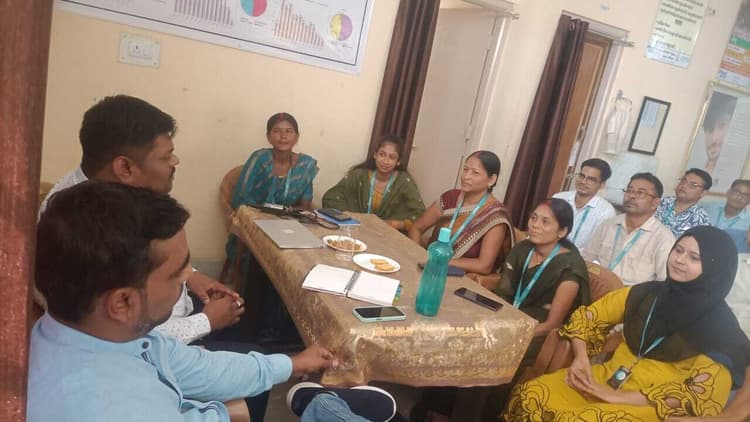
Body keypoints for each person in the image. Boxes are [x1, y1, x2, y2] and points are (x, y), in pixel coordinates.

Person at [30, 181, 353, 421]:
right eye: (177, 274)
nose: (189, 278)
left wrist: (292, 364)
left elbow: (200, 367)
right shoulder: (108, 407)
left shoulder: (110, 335)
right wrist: (225, 414)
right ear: (123, 303)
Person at [38, 94, 240, 346]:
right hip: (160, 344)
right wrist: (206, 321)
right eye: (166, 157)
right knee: (256, 354)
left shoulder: (113, 193)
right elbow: (123, 334)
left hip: (177, 311)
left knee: (243, 317)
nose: (175, 162)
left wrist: (189, 274)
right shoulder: (81, 225)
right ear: (125, 168)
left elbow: (150, 259)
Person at [503, 226, 750, 421]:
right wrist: (580, 358)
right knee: (532, 394)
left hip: (653, 404)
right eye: (678, 250)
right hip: (604, 379)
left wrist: (617, 397)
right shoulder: (647, 294)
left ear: (716, 270)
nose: (679, 260)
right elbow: (588, 318)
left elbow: (697, 394)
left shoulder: (721, 332)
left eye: (694, 257)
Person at [408, 151, 514, 275]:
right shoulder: (450, 198)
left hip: (461, 277)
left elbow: (484, 265)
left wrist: (442, 262)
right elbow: (417, 228)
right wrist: (417, 255)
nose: (466, 176)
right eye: (465, 169)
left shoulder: (494, 215)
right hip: (428, 267)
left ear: (491, 179)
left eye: (475, 173)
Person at [582, 173, 675, 286]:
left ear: (655, 203)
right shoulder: (608, 225)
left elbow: (664, 282)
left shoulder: (663, 238)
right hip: (596, 287)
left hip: (631, 295)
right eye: (629, 190)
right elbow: (587, 259)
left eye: (640, 193)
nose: (632, 196)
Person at [322, 135, 425, 231]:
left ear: (398, 161)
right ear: (375, 155)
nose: (385, 161)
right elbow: (331, 198)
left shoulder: (404, 182)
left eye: (392, 157)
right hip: (354, 228)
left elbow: (420, 213)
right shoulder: (359, 175)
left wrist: (398, 224)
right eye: (382, 154)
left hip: (386, 233)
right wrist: (349, 215)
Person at [230, 112, 318, 210]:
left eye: (289, 131)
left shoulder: (305, 165)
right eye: (276, 131)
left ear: (297, 137)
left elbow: (305, 207)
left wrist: (284, 213)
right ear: (268, 137)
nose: (283, 136)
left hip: (289, 217)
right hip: (254, 215)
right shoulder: (259, 159)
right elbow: (240, 200)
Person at [552, 158, 616, 248]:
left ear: (602, 184)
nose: (583, 182)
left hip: (579, 256)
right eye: (581, 176)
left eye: (591, 179)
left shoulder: (605, 212)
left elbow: (596, 246)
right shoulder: (559, 198)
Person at [655, 168, 712, 238]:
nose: (684, 186)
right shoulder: (659, 202)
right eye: (683, 181)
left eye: (693, 185)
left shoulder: (701, 221)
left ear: (703, 193)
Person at [702, 179, 750, 253]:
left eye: (746, 195)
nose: (740, 197)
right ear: (728, 192)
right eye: (737, 192)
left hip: (732, 257)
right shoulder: (707, 207)